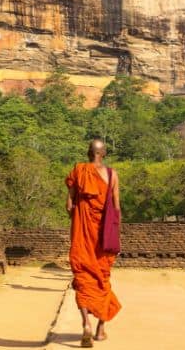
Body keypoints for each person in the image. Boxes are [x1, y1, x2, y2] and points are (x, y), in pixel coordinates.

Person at [65, 139, 121, 347]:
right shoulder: (112, 174)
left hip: (82, 239)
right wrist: (115, 234)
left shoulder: (79, 171)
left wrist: (80, 215)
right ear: (103, 153)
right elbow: (116, 208)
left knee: (82, 279)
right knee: (102, 281)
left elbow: (69, 206)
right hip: (104, 239)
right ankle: (100, 329)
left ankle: (86, 323)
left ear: (88, 152)